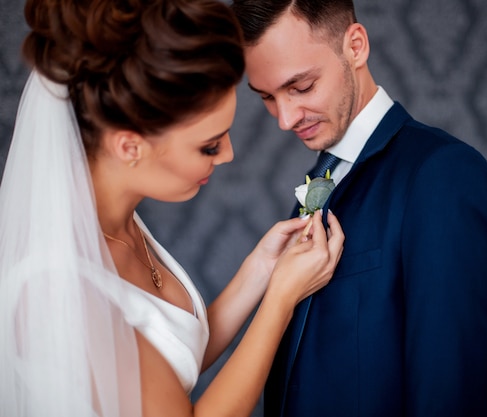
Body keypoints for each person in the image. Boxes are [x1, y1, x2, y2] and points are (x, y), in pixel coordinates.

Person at [0, 0, 345, 416]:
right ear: (130, 146)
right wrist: (279, 303)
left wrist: (261, 270)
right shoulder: (55, 286)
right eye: (209, 145)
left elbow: (168, 363)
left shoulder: (117, 222)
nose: (228, 156)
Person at [231, 1, 487, 416]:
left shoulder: (442, 175)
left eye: (301, 87)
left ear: (356, 46)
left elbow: (450, 391)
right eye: (267, 97)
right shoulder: (319, 180)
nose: (285, 118)